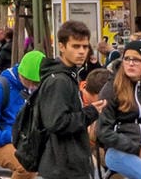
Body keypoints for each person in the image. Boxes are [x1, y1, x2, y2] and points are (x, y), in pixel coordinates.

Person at [30, 20, 99, 179]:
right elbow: (56, 122)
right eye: (75, 46)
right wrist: (91, 112)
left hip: (68, 163)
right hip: (62, 166)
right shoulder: (59, 81)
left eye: (85, 46)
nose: (82, 51)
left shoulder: (69, 75)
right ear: (62, 47)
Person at [99, 39, 141, 179]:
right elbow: (103, 132)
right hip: (118, 152)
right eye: (127, 58)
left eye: (137, 60)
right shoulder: (111, 89)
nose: (131, 63)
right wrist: (137, 149)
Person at [0, 48, 42, 173]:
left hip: (30, 143)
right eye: (31, 82)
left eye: (37, 83)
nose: (33, 87)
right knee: (26, 166)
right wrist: (15, 136)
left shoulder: (39, 88)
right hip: (0, 144)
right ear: (22, 74)